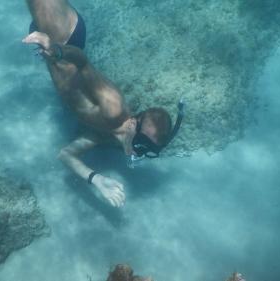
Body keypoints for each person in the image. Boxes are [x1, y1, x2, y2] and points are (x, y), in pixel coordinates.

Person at [22, 0, 183, 208]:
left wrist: (97, 180)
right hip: (63, 37)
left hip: (55, 47)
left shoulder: (105, 133)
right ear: (134, 124)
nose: (138, 153)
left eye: (146, 151)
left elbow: (65, 155)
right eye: (141, 145)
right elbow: (82, 62)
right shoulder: (113, 108)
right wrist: (56, 49)